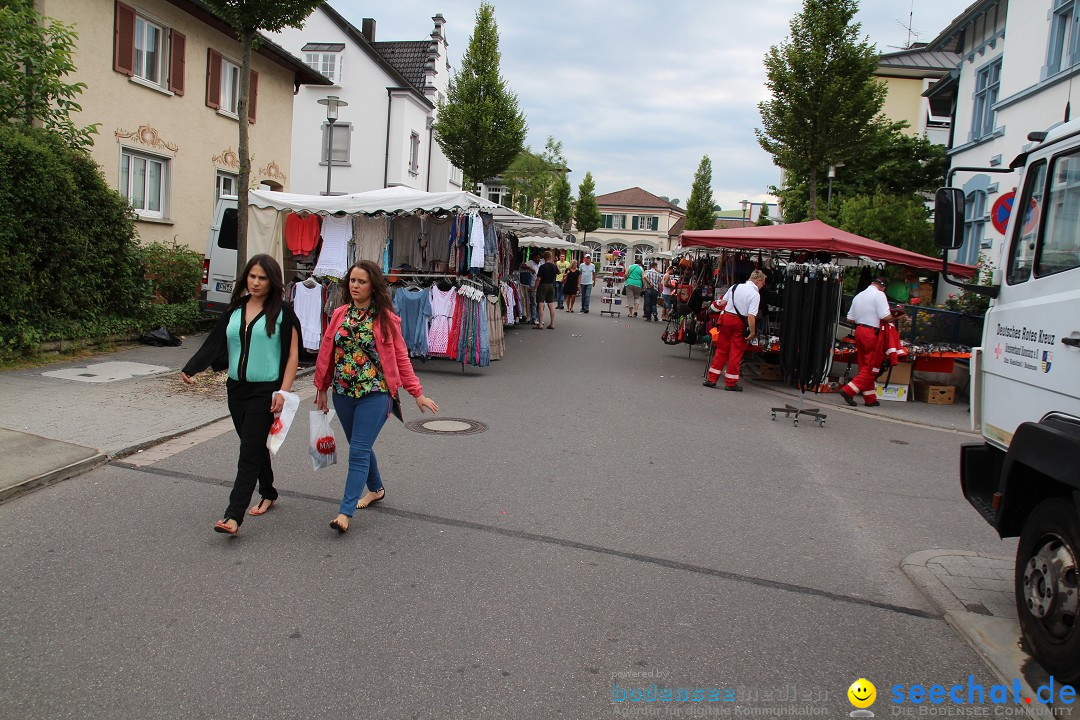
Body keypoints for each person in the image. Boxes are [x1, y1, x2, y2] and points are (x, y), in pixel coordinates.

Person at [314, 260, 439, 534]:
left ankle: (344, 513)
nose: (355, 285)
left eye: (362, 281)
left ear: (373, 287)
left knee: (358, 450)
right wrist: (321, 388)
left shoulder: (385, 318)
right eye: (353, 280)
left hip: (375, 393)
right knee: (361, 445)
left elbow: (400, 357)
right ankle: (376, 489)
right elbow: (327, 351)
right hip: (343, 393)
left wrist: (416, 393)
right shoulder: (340, 314)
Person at [182, 254, 300, 536]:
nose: (256, 282)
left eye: (262, 278)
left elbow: (293, 354)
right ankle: (269, 491)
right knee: (254, 445)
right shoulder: (236, 308)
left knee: (247, 452)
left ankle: (233, 516)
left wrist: (283, 391)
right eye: (252, 276)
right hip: (236, 389)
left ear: (272, 282)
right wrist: (193, 368)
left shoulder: (282, 312)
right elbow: (215, 341)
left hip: (266, 391)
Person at [704, 269, 766, 392]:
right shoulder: (755, 294)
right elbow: (751, 316)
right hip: (739, 322)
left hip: (726, 319)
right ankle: (731, 383)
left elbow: (722, 302)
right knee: (735, 353)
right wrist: (752, 332)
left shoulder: (735, 286)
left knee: (721, 350)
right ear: (758, 281)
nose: (763, 285)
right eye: (763, 283)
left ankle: (712, 379)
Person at [839, 276, 895, 408]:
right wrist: (895, 317)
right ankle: (849, 390)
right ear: (883, 287)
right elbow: (885, 316)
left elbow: (850, 319)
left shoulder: (859, 296)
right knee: (872, 367)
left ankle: (870, 398)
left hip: (859, 330)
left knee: (864, 365)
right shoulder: (880, 295)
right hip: (872, 333)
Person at [535, 250, 558, 329]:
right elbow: (558, 272)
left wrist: (535, 287)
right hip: (551, 285)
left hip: (543, 285)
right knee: (551, 304)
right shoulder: (554, 266)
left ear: (544, 258)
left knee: (540, 304)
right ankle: (552, 324)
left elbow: (538, 278)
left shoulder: (542, 267)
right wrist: (555, 263)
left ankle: (540, 324)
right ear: (550, 257)